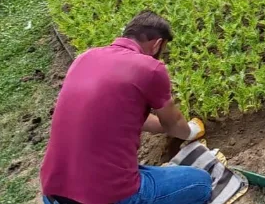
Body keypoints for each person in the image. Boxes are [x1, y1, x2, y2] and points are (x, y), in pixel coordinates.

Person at [40, 12, 211, 204]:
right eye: (163, 50)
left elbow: (127, 116)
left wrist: (165, 126)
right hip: (106, 198)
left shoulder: (85, 58)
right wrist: (190, 131)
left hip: (53, 193)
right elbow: (174, 126)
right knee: (200, 183)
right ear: (157, 44)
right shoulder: (151, 68)